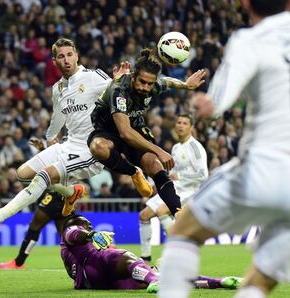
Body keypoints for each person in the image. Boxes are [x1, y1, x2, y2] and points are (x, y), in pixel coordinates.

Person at [157, 1, 290, 297]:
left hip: (267, 167)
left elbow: (219, 99)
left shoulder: (248, 39)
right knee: (258, 283)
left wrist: (210, 104)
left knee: (183, 233)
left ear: (244, 3)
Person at [0, 38, 146, 230]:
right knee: (23, 174)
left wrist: (120, 81)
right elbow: (58, 117)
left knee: (44, 176)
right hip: (69, 144)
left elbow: (120, 94)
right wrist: (50, 137)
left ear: (77, 56)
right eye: (61, 56)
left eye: (70, 55)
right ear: (54, 61)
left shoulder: (93, 77)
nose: (66, 60)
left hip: (92, 149)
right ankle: (70, 192)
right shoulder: (58, 88)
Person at [87, 48, 206, 217]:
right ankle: (134, 173)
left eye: (150, 83)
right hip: (108, 129)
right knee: (98, 147)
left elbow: (168, 81)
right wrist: (159, 150)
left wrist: (185, 85)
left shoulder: (153, 85)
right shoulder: (119, 90)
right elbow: (125, 133)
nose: (145, 87)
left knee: (154, 165)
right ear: (133, 76)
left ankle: (177, 213)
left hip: (135, 127)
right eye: (142, 82)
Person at [61, 215, 241, 292]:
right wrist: (91, 234)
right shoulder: (71, 232)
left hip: (101, 282)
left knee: (168, 273)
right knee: (124, 256)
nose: (90, 226)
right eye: (87, 224)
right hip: (93, 265)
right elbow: (73, 234)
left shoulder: (75, 253)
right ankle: (154, 280)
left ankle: (219, 282)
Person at [139, 114, 208, 261]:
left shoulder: (195, 147)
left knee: (161, 211)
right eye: (179, 122)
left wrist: (181, 177)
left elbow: (203, 175)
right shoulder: (176, 147)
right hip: (176, 189)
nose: (181, 125)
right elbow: (174, 174)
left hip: (190, 191)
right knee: (144, 215)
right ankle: (145, 257)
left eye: (185, 123)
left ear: (191, 127)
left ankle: (177, 252)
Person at [0, 191, 72, 269]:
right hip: (67, 198)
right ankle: (78, 263)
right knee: (65, 234)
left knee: (34, 227)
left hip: (54, 196)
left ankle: (18, 263)